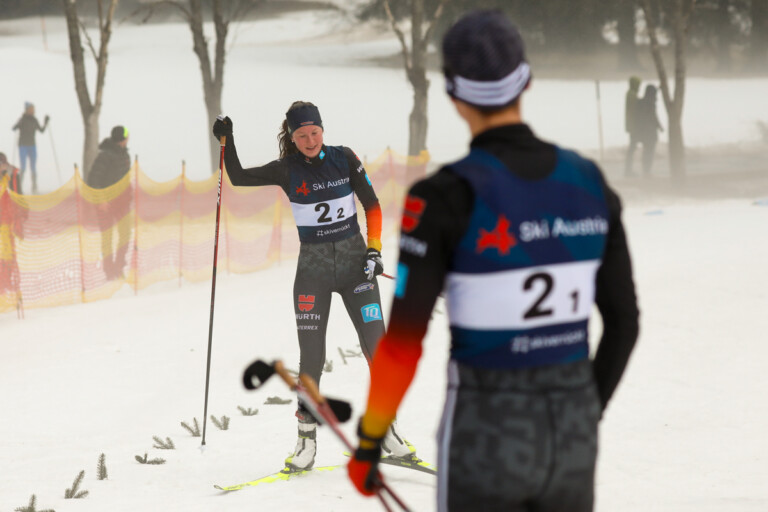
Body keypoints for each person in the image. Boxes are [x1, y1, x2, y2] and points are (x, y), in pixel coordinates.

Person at [348, 10, 640, 512]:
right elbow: (625, 323)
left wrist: (371, 439)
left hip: (484, 435)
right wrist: (583, 411)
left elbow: (401, 344)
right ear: (525, 79)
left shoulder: (440, 198)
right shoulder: (590, 182)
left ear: (453, 94)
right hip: (570, 434)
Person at [212, 102, 416, 472]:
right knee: (312, 361)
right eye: (301, 135)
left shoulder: (345, 158)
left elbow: (371, 204)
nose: (309, 140)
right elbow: (239, 177)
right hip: (313, 273)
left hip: (358, 271)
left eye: (314, 132)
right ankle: (305, 442)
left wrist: (374, 251)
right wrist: (228, 140)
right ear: (291, 138)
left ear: (323, 130)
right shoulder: (286, 170)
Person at [86, 125, 132, 281]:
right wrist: (101, 201)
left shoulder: (125, 155)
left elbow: (125, 180)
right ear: (121, 139)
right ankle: (109, 271)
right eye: (126, 136)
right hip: (105, 204)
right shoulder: (104, 156)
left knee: (125, 235)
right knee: (107, 238)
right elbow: (93, 180)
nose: (128, 138)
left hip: (122, 203)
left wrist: (129, 196)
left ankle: (119, 266)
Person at [12, 102, 49, 194]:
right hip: (23, 146)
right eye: (31, 109)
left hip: (32, 146)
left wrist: (46, 122)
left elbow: (41, 130)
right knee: (23, 167)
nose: (33, 111)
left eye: (33, 109)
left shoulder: (34, 120)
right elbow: (14, 128)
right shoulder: (22, 120)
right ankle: (18, 188)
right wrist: (17, 126)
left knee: (33, 167)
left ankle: (34, 187)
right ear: (27, 109)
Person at [635, 84, 663, 175]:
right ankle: (647, 171)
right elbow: (653, 116)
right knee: (649, 152)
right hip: (650, 131)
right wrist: (660, 126)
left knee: (646, 151)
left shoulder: (641, 102)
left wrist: (658, 89)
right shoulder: (651, 103)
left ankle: (645, 170)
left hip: (643, 131)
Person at [624, 76, 641, 176]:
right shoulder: (632, 94)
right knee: (632, 147)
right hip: (633, 125)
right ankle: (628, 170)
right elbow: (635, 109)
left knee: (632, 147)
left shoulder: (630, 93)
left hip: (631, 125)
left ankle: (628, 169)